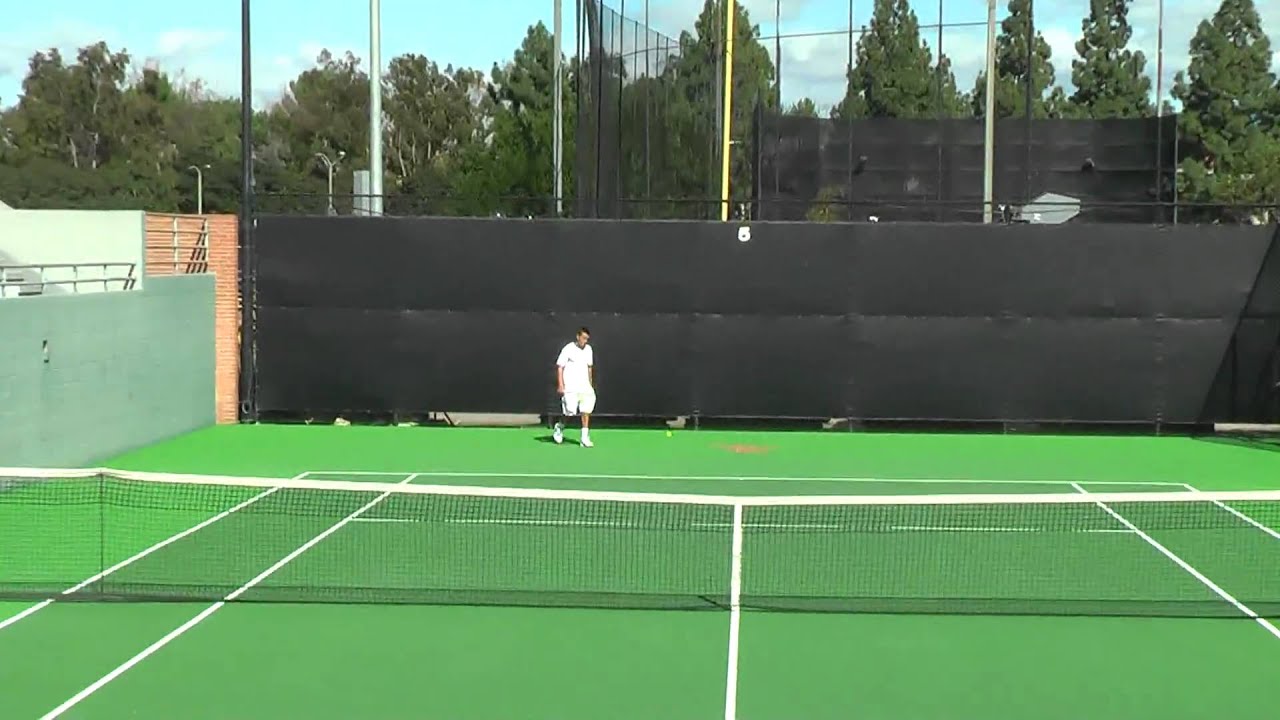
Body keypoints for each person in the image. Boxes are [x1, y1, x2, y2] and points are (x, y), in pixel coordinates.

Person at [553, 327, 595, 447]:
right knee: (569, 412)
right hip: (570, 386)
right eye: (583, 338)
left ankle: (584, 438)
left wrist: (590, 384)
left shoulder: (588, 349)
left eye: (587, 339)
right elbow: (560, 367)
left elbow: (589, 367)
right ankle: (559, 427)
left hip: (584, 386)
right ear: (578, 336)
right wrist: (561, 385)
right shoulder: (568, 349)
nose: (585, 341)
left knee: (586, 410)